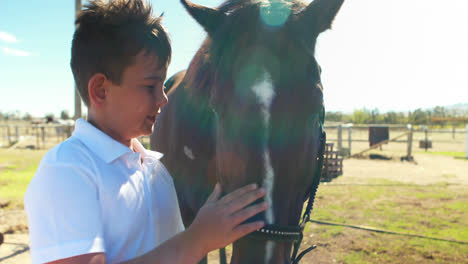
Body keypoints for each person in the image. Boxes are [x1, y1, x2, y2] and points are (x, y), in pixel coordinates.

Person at [24, 1, 268, 263]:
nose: (163, 99)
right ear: (100, 91)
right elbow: (186, 248)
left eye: (163, 86)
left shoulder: (156, 171)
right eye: (150, 86)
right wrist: (197, 239)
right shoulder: (68, 170)